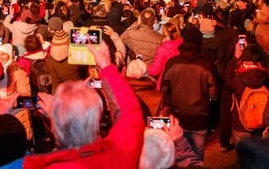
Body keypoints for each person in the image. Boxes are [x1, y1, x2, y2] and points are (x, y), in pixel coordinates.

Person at [23, 39, 143, 168]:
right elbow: (130, 113)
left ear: (54, 128)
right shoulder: (120, 154)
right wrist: (106, 67)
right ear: (96, 121)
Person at [160, 26, 218, 161]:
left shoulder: (172, 64)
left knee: (180, 157)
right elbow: (214, 94)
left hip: (178, 118)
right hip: (200, 118)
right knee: (197, 157)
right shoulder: (207, 65)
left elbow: (164, 91)